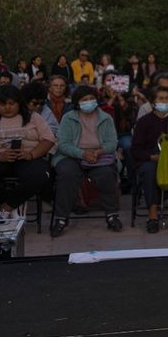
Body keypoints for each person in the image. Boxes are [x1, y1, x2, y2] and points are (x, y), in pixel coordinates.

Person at [51, 86, 122, 237]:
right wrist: (82, 154)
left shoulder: (105, 118)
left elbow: (112, 143)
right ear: (77, 103)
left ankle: (111, 215)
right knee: (66, 175)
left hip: (99, 155)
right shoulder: (68, 117)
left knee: (107, 174)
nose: (89, 102)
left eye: (91, 99)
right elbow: (63, 144)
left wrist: (98, 152)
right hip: (72, 155)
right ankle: (61, 218)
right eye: (84, 100)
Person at [131, 87, 168, 233]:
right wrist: (151, 157)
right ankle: (152, 215)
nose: (164, 101)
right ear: (152, 103)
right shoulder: (144, 122)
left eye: (167, 98)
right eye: (160, 99)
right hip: (149, 158)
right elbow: (136, 149)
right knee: (150, 170)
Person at [0, 85, 54, 220]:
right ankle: (13, 203)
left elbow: (48, 140)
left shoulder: (33, 117)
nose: (7, 107)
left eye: (11, 103)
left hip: (28, 157)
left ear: (19, 103)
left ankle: (6, 207)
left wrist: (31, 154)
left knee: (41, 175)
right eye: (2, 104)